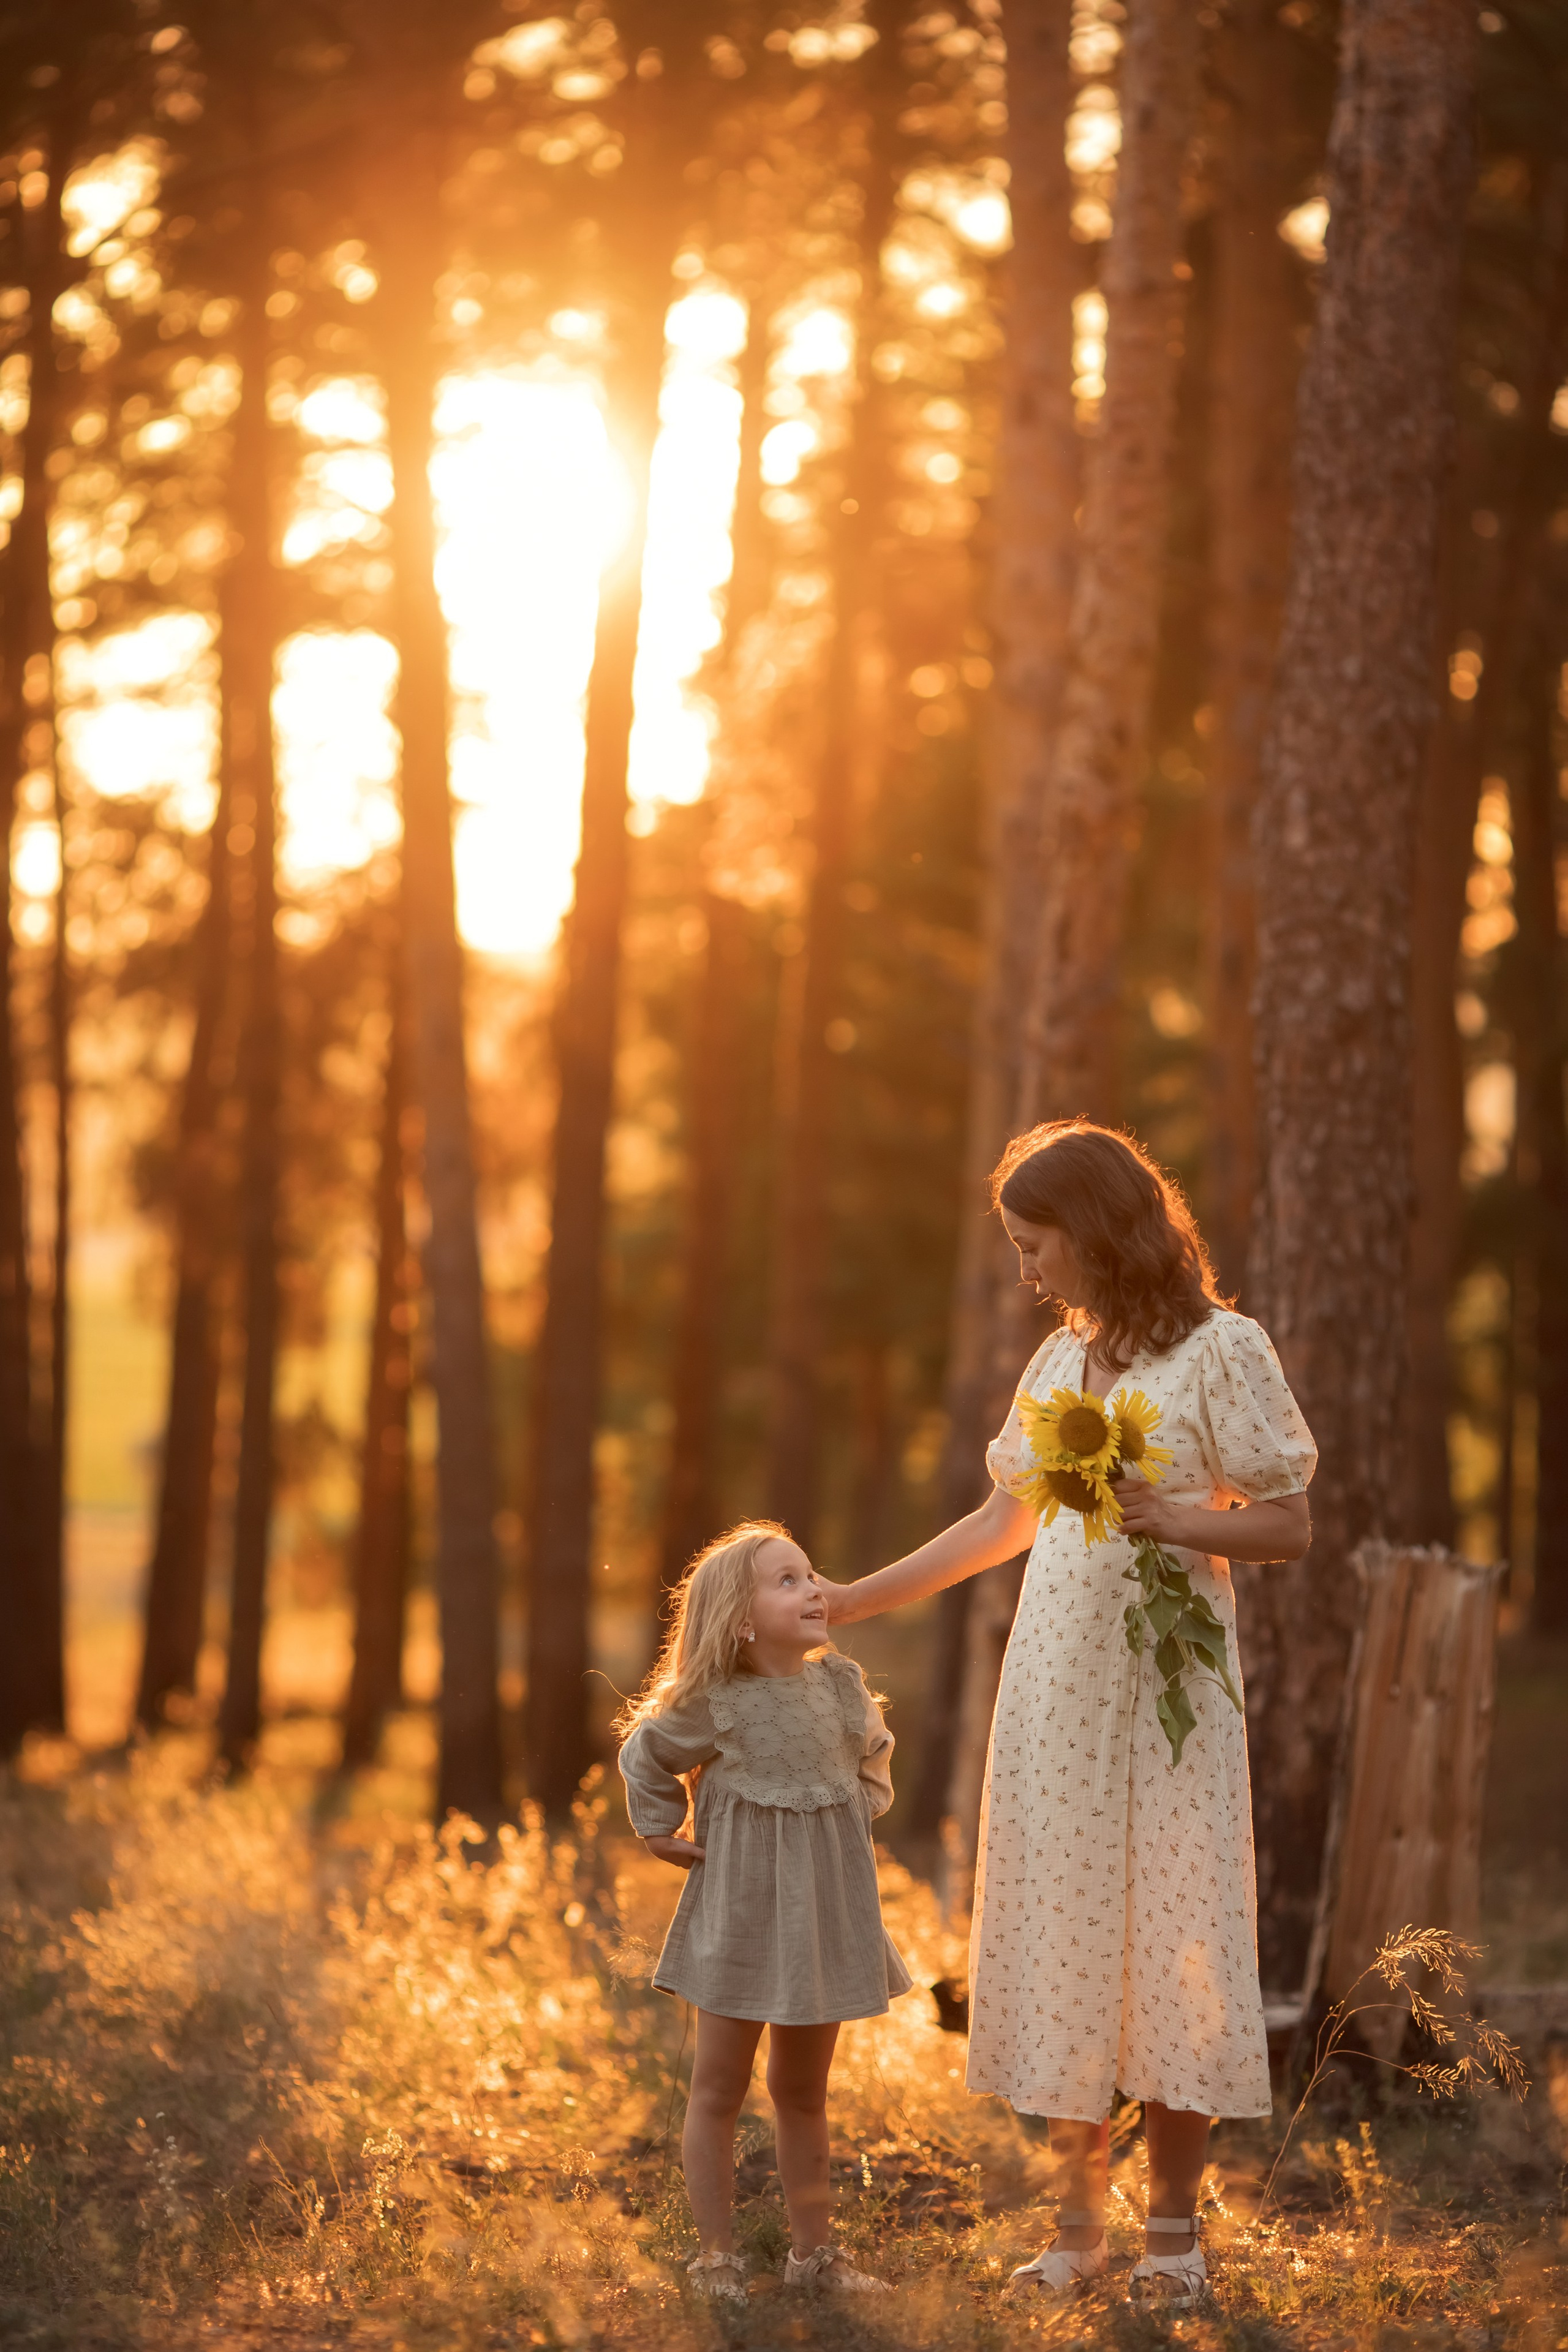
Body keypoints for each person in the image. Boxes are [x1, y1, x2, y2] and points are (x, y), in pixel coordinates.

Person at [821, 1120, 1316, 2310]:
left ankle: (1171, 2245)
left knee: (1172, 1940)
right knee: (1060, 1941)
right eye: (1011, 1246)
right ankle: (1075, 2235)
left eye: (1034, 1244)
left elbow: (1287, 1524)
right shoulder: (1056, 1367)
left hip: (1165, 1703)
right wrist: (854, 1596)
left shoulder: (1219, 1350)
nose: (1023, 1270)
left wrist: (1179, 1521)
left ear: (1095, 1231)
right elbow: (1001, 1525)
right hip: (1051, 1695)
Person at [617, 1520, 911, 2302]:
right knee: (719, 2085)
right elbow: (645, 1751)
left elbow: (872, 1752)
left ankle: (813, 2257)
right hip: (743, 1912)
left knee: (803, 2092)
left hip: (822, 1911)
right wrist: (657, 1830)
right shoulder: (716, 1703)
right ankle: (717, 2257)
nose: (812, 1589)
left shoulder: (839, 1685)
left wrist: (850, 1813)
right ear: (739, 1618)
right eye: (788, 1581)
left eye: (811, 1575)